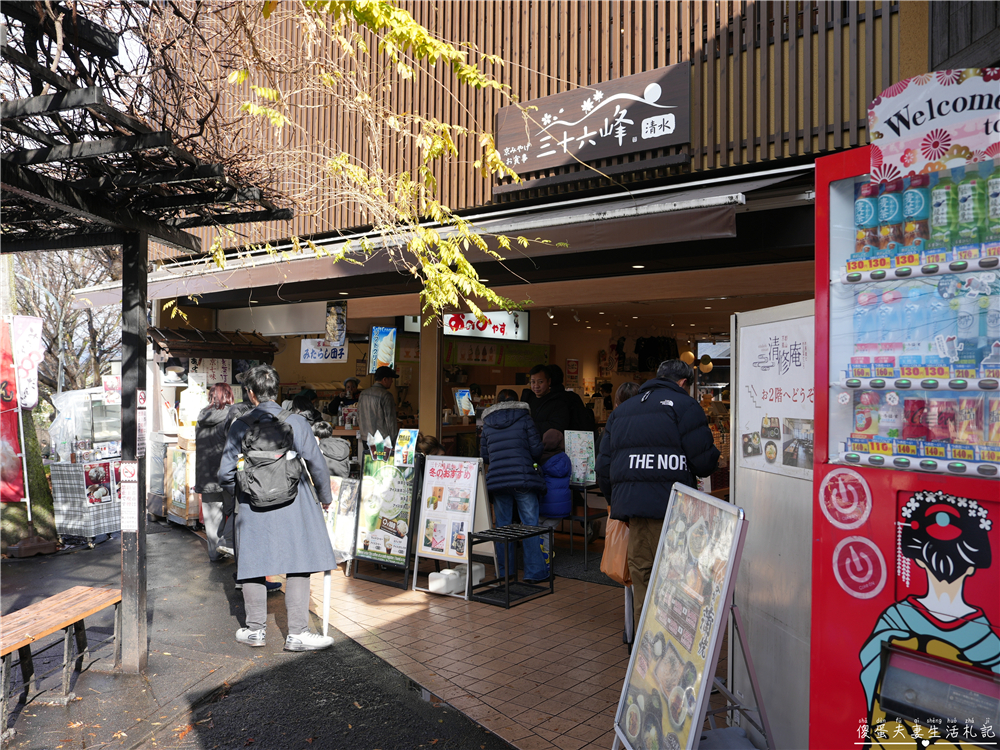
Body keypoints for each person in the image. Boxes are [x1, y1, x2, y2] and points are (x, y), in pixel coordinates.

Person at [859, 491, 998, 748]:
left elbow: (866, 688)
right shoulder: (990, 642)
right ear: (973, 566)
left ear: (918, 559)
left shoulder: (893, 622)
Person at [218, 364, 337, 651]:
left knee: (253, 563)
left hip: (252, 505)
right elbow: (316, 464)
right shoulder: (297, 423)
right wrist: (325, 497)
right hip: (295, 502)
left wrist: (247, 488)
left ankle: (255, 630)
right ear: (276, 390)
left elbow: (224, 473)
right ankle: (297, 634)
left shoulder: (239, 426)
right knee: (299, 561)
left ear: (250, 394)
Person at [596, 359, 720, 634]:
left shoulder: (624, 410)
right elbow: (703, 464)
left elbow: (603, 467)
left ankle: (645, 649)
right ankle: (671, 645)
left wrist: (615, 503)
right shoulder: (686, 406)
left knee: (642, 575)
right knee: (676, 578)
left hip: (635, 512)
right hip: (674, 511)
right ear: (684, 383)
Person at [480, 389, 548, 583]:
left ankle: (505, 571)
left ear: (497, 401)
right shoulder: (525, 419)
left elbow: (485, 456)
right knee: (530, 525)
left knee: (502, 526)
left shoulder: (487, 423)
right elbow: (536, 450)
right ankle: (534, 572)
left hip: (498, 480)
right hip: (523, 478)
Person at [195, 383, 235, 562]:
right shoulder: (232, 415)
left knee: (212, 519)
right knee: (235, 510)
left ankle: (215, 554)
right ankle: (228, 543)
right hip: (226, 474)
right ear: (228, 395)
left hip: (206, 475)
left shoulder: (201, 416)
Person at [522, 364, 571, 437]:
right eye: (533, 382)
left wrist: (529, 426)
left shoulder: (558, 402)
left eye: (540, 382)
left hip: (546, 444)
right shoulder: (527, 398)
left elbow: (557, 426)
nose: (536, 386)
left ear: (549, 381)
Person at [357, 366, 398, 445]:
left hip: (366, 438)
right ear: (385, 379)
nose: (392, 381)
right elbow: (390, 421)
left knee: (368, 457)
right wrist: (394, 440)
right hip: (382, 440)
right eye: (391, 379)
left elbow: (358, 416)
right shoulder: (386, 395)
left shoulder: (363, 394)